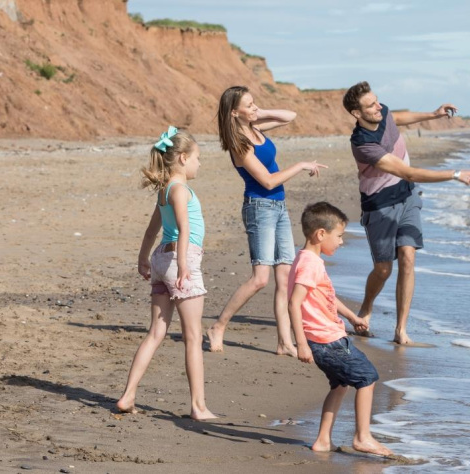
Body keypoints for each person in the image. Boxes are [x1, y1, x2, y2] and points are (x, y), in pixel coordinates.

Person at [342, 81, 470, 345]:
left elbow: (397, 117)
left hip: (408, 196)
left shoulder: (381, 110)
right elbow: (407, 171)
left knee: (408, 257)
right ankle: (366, 309)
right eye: (370, 106)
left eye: (377, 102)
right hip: (380, 205)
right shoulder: (364, 145)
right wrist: (454, 174)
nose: (378, 107)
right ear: (356, 113)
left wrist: (433, 114)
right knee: (383, 270)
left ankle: (401, 330)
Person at [207, 86, 328, 355]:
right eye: (248, 105)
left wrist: (259, 112)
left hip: (279, 207)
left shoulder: (256, 127)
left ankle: (284, 341)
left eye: (254, 103)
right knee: (260, 278)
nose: (254, 108)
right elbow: (268, 180)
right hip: (259, 208)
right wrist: (300, 165)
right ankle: (218, 326)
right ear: (234, 112)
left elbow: (290, 115)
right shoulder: (239, 143)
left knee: (284, 278)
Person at [117, 126, 217, 420]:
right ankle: (198, 406)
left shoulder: (164, 191)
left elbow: (152, 231)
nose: (200, 163)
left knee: (155, 332)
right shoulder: (181, 190)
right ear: (183, 158)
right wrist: (184, 264)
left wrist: (143, 259)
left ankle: (128, 395)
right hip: (180, 260)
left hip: (162, 259)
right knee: (193, 337)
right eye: (198, 157)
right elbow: (185, 229)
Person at [288, 202, 392, 456]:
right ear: (320, 234)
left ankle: (323, 440)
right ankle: (362, 436)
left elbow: (327, 298)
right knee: (367, 378)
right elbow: (294, 302)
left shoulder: (306, 260)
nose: (341, 242)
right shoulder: (310, 264)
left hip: (325, 339)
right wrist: (300, 343)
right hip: (328, 341)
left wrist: (351, 317)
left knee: (340, 385)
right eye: (339, 236)